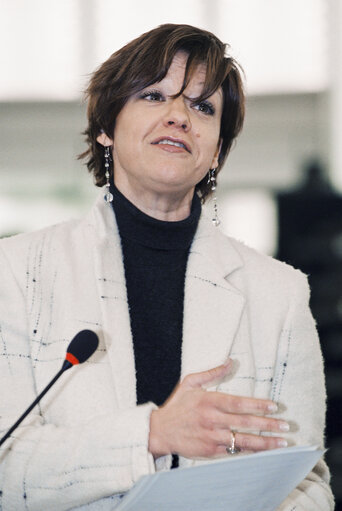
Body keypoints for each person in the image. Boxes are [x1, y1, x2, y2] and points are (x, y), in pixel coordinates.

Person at [0, 23, 334, 510]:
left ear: (216, 149)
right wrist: (152, 433)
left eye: (202, 106)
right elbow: (7, 468)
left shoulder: (279, 294)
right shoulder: (16, 272)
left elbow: (307, 481)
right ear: (106, 127)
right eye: (155, 96)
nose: (179, 116)